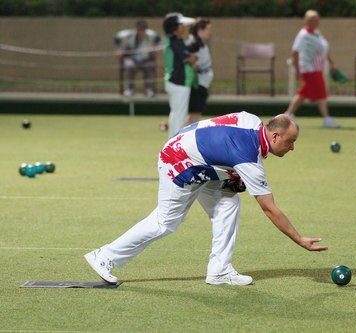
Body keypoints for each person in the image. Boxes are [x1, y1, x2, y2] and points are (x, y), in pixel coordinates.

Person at [84, 112, 328, 286]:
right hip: (178, 160)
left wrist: (230, 174)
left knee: (228, 202)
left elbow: (221, 141)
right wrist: (299, 239)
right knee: (165, 222)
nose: (292, 148)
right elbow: (269, 209)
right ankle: (104, 256)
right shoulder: (249, 159)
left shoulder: (252, 121)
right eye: (291, 141)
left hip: (195, 156)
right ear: (274, 137)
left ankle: (219, 271)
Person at [284, 10, 340, 129]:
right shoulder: (303, 35)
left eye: (316, 20)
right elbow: (294, 52)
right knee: (321, 94)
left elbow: (324, 50)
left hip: (317, 68)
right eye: (312, 20)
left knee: (304, 93)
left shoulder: (317, 33)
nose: (315, 22)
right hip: (308, 68)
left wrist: (332, 63)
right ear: (307, 21)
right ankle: (326, 119)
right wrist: (297, 70)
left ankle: (288, 114)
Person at [163, 12, 197, 139]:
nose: (183, 27)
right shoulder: (176, 42)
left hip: (173, 81)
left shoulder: (172, 40)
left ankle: (171, 143)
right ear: (175, 27)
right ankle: (173, 146)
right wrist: (192, 57)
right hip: (179, 82)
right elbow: (190, 59)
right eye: (181, 24)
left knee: (175, 115)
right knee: (179, 117)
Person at [114, 19, 162, 97]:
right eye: (139, 30)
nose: (141, 32)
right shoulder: (128, 34)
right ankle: (130, 89)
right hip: (132, 58)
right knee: (129, 65)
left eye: (143, 30)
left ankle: (148, 89)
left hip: (146, 58)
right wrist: (119, 50)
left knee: (149, 66)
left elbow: (160, 40)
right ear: (136, 29)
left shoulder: (151, 34)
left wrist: (157, 48)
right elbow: (116, 37)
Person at [186, 18, 213, 125]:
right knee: (194, 113)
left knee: (196, 113)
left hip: (203, 83)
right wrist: (194, 66)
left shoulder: (199, 43)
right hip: (197, 83)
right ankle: (183, 137)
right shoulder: (194, 44)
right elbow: (188, 57)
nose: (210, 32)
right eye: (208, 29)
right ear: (200, 30)